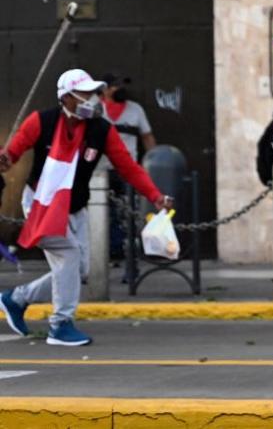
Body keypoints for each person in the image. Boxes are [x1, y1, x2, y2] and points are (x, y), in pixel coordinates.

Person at [0, 69, 172, 346]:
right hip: (42, 203)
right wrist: (5, 158)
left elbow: (128, 167)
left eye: (93, 93)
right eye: (84, 93)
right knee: (68, 254)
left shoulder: (101, 129)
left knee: (80, 269)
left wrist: (155, 195)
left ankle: (17, 299)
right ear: (66, 98)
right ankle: (60, 324)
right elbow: (13, 152)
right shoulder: (40, 122)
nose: (91, 99)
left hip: (75, 206)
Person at [97, 73, 156, 263]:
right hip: (100, 171)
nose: (120, 89)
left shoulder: (135, 110)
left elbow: (147, 136)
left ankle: (127, 253)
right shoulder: (96, 110)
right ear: (105, 90)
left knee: (127, 213)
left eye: (123, 85)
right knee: (102, 213)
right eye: (116, 86)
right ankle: (105, 252)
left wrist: (152, 161)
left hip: (126, 170)